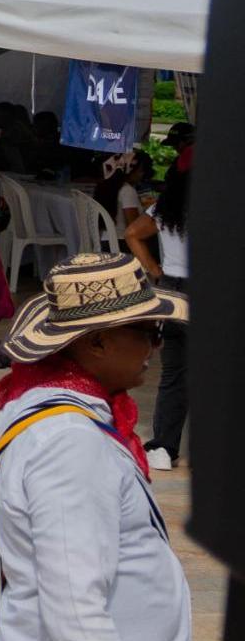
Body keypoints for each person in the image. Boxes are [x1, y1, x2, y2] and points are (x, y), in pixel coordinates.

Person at [0, 253, 190, 641]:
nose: (156, 346)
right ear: (95, 343)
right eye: (148, 332)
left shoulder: (33, 402)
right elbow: (74, 599)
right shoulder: (69, 440)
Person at [124, 158, 190, 470]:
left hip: (174, 288)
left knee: (175, 373)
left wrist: (156, 272)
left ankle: (164, 447)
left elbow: (133, 233)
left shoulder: (166, 208)